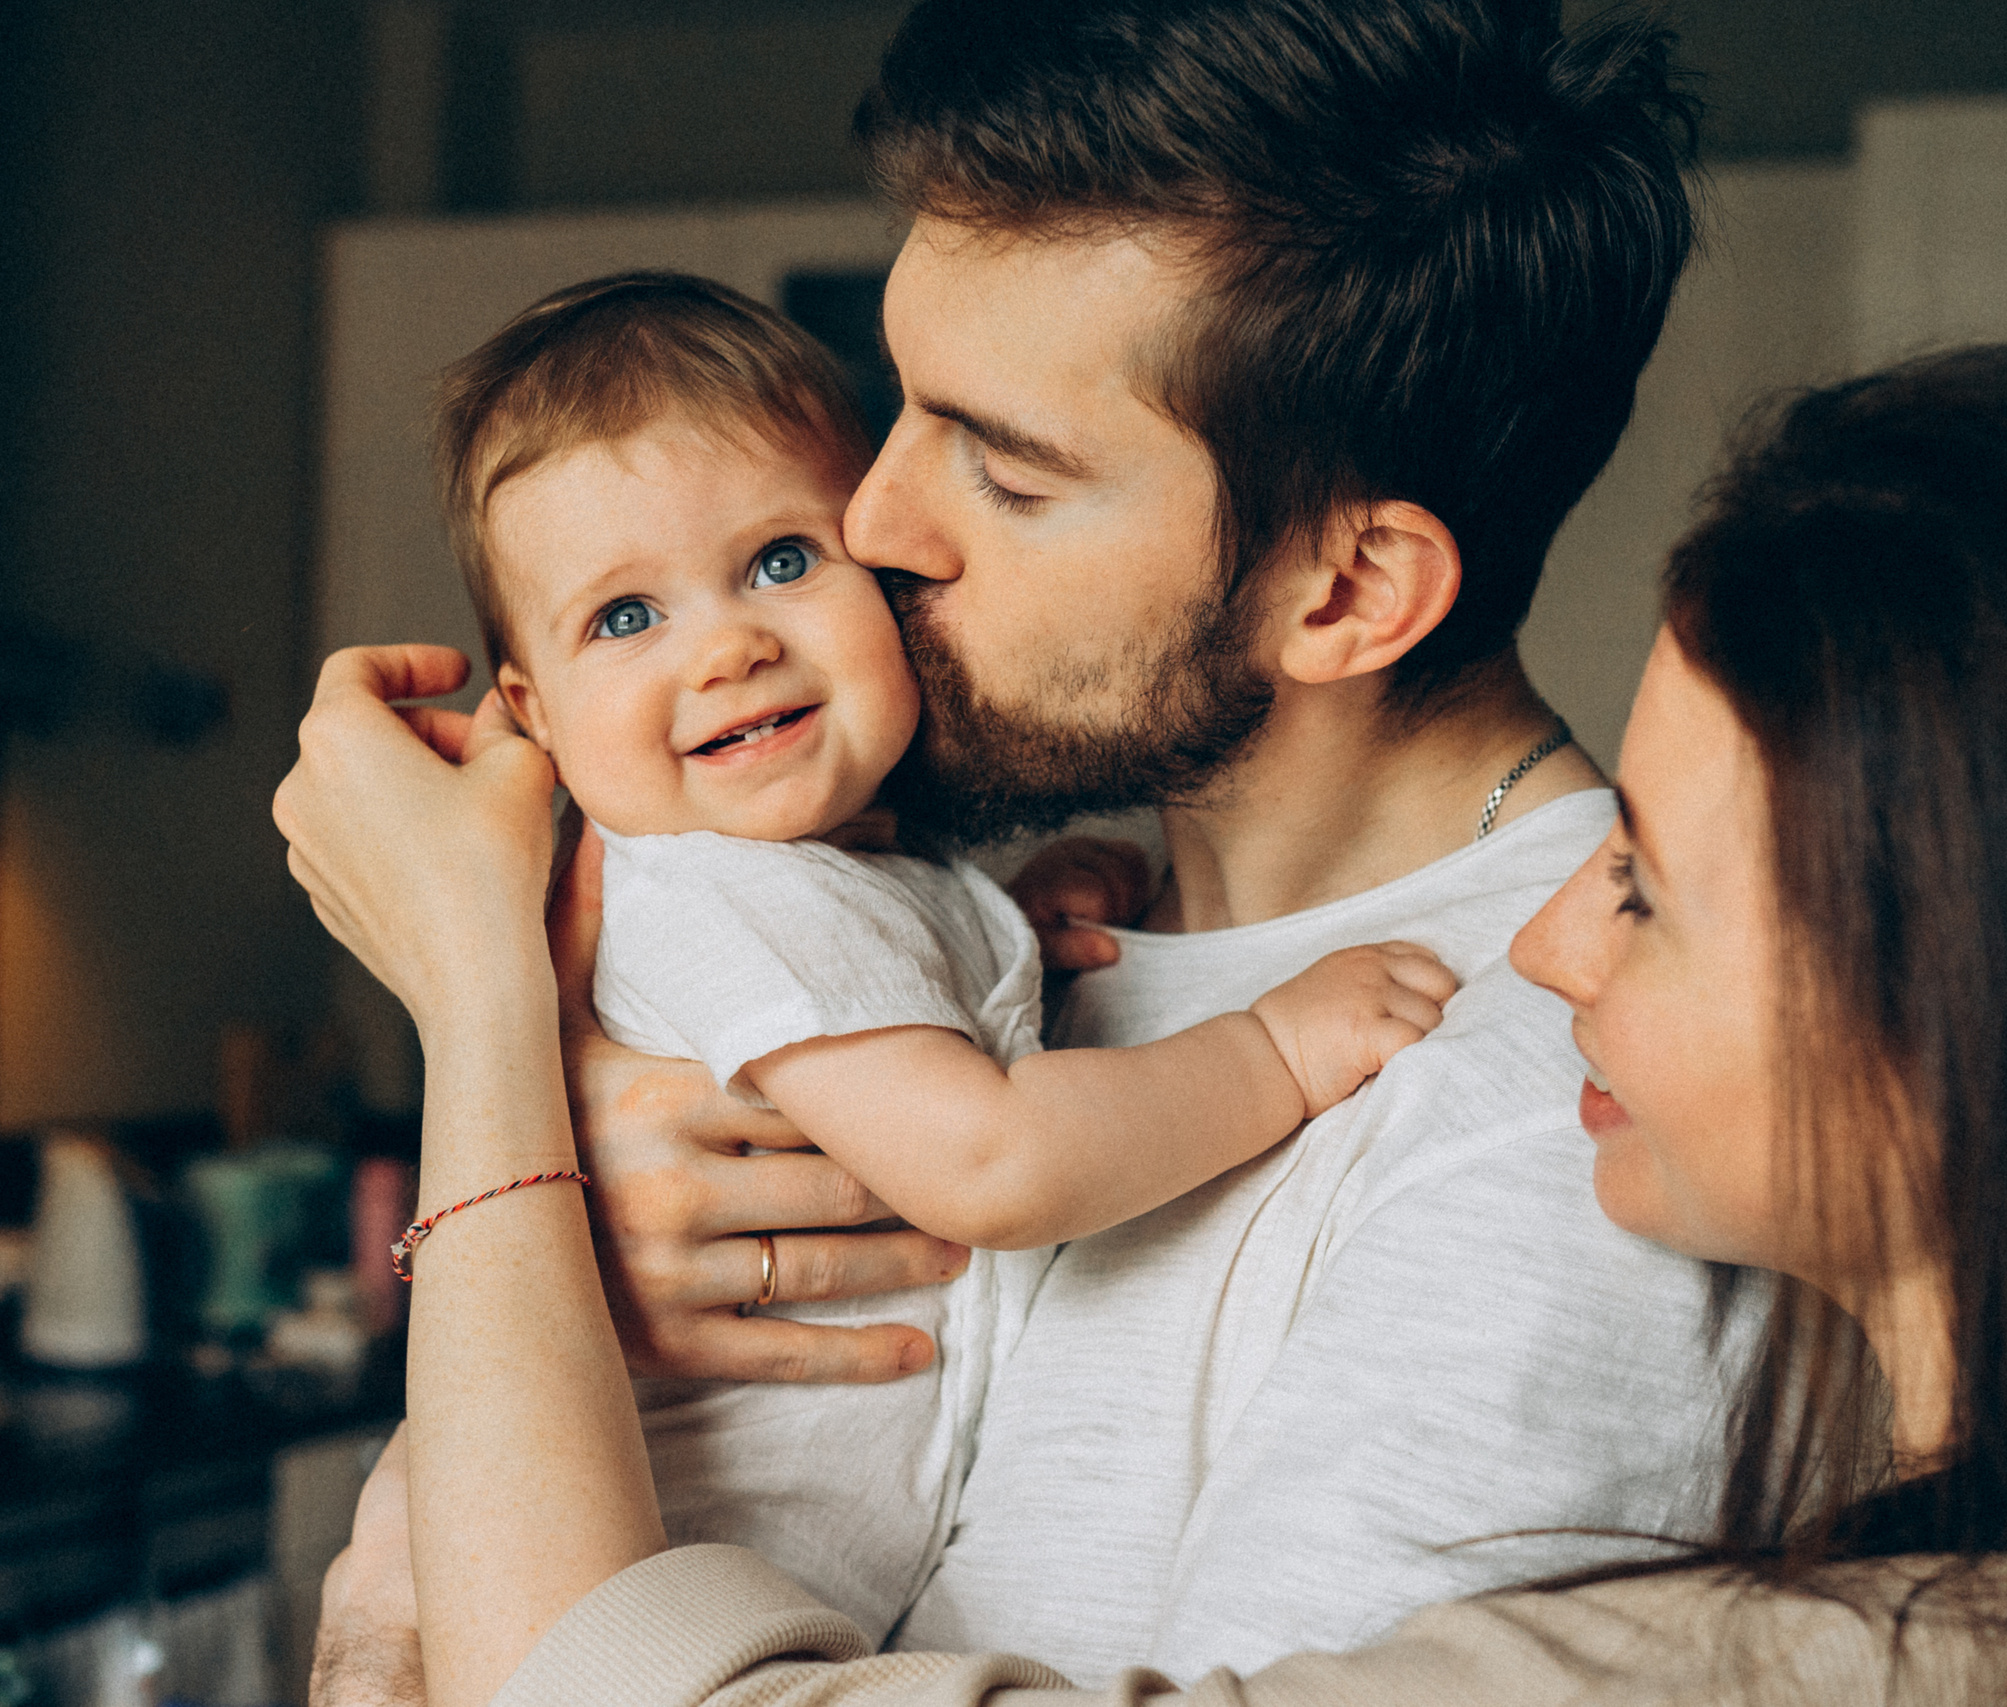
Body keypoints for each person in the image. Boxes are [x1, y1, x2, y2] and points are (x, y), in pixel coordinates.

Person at [278, 344, 2007, 1706]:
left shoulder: (1749, 1650)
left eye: (1645, 873)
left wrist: (483, 1019)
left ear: (1995, 1007)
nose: (1552, 929)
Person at [381, 0, 1772, 1688]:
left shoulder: (1558, 1112)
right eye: (903, 406)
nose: (872, 523)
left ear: (1343, 592)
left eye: (1009, 472)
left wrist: (484, 1068)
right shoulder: (1027, 932)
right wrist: (565, 1245)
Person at [417, 268, 1457, 1638]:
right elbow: (992, 1159)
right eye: (626, 616)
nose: (729, 645)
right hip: (666, 1617)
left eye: (783, 561)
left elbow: (883, 1017)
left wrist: (1009, 927)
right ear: (530, 716)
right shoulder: (727, 894)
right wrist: (1274, 1047)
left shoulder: (842, 876)